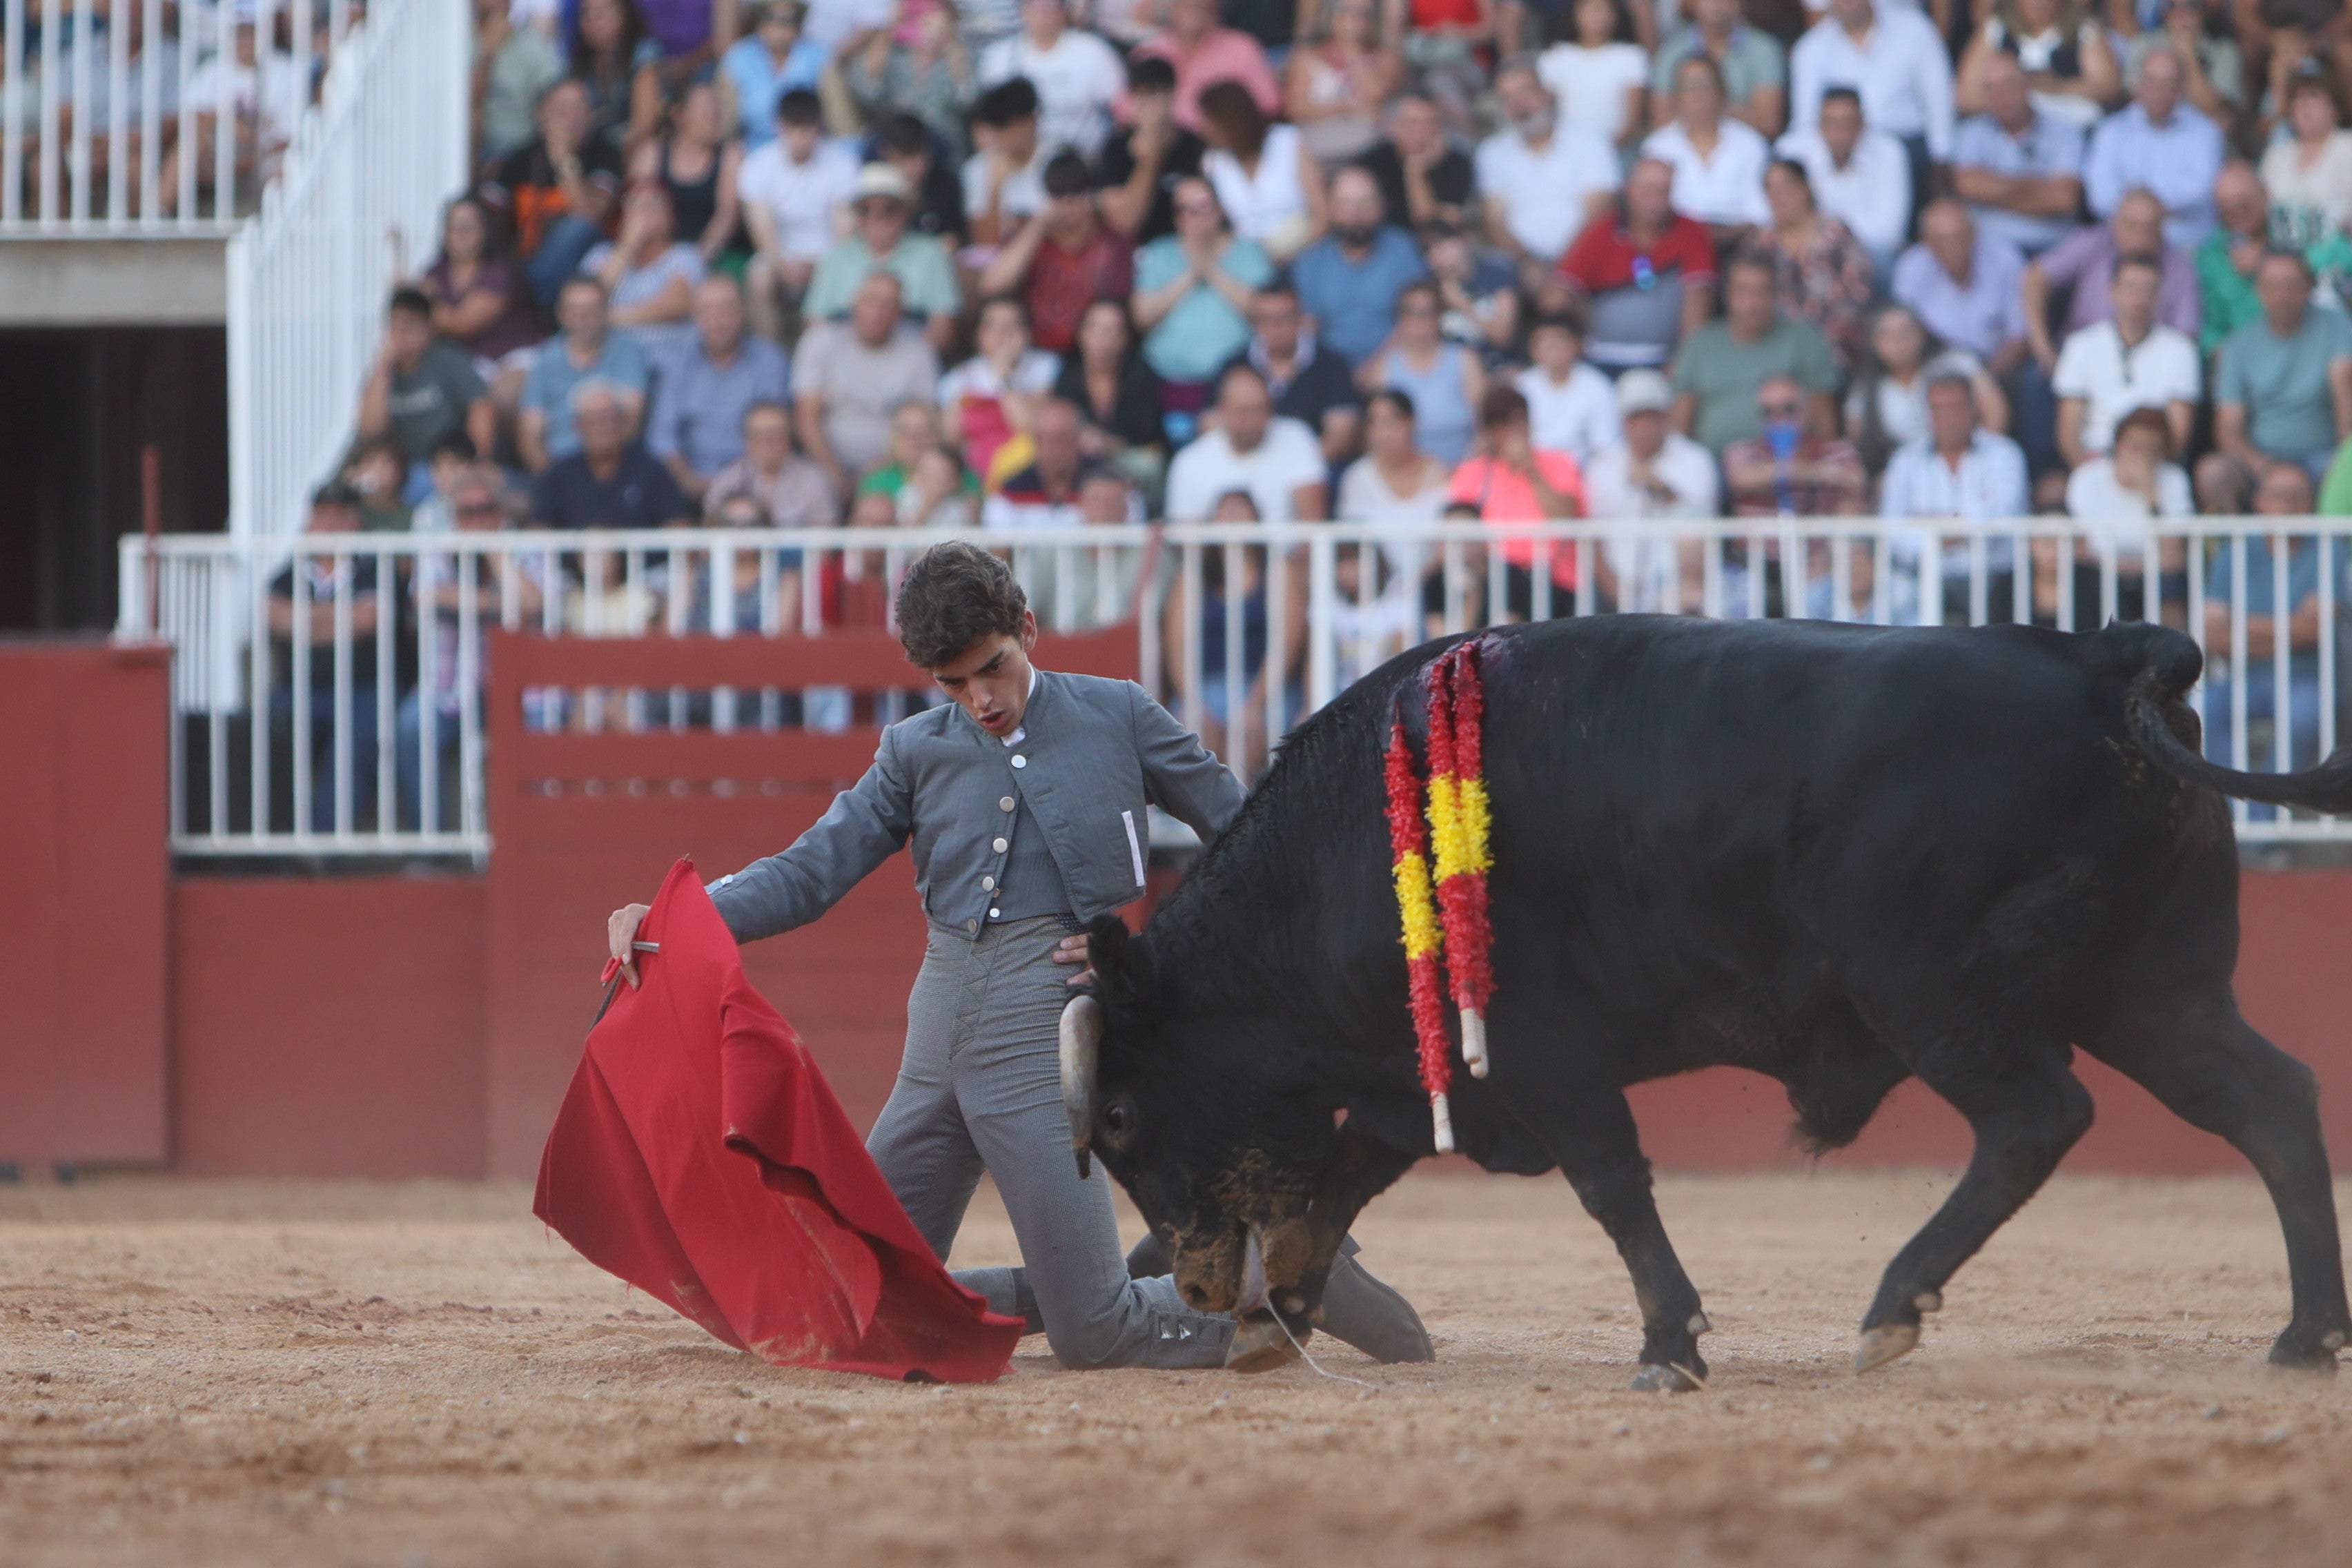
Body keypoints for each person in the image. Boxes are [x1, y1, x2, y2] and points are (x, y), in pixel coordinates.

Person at [609, 542, 1432, 1370]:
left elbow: (1256, 840)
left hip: (1046, 1042)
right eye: (953, 684)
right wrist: (684, 916)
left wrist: (1153, 957)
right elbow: (812, 869)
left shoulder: (1119, 713)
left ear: (1028, 629)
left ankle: (1275, 1282)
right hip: (935, 1045)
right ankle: (1191, 1269)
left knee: (1095, 1331)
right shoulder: (911, 749)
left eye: (991, 669)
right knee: (843, 1301)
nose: (980, 699)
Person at [2201, 462, 2336, 799]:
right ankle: (2247, 815)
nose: (2287, 506)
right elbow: (2213, 635)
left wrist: (2242, 626)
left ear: (2310, 504)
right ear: (2260, 501)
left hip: (2306, 678)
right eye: (2279, 496)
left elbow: (2314, 629)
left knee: (2303, 718)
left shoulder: (2329, 550)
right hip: (2243, 678)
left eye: (2297, 497)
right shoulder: (2233, 553)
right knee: (2202, 709)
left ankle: (2258, 821)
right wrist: (2288, 627)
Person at [268, 482, 389, 834]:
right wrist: (342, 618)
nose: (330, 523)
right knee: (272, 744)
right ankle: (282, 846)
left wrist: (304, 621)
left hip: (363, 689)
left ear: (356, 521)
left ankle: (324, 849)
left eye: (340, 514)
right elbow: (276, 619)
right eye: (322, 514)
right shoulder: (287, 574)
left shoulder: (373, 568)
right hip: (298, 690)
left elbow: (369, 619)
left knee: (353, 750)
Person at [1555, 157, 1718, 377]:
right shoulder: (1602, 230)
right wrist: (1573, 345)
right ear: (1629, 190)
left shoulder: (1691, 232)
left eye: (1664, 191)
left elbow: (1698, 301)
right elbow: (1560, 292)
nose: (1656, 200)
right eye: (1648, 190)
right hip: (1598, 358)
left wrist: (1685, 361)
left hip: (1663, 359)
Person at [2207, 249, 2352, 491]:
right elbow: (2228, 427)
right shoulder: (2238, 345)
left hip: (2326, 456)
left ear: (2309, 286)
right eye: (2272, 286)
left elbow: (2345, 393)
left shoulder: (2336, 326)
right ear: (2258, 290)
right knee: (2213, 474)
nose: (2282, 295)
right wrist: (2262, 466)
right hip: (2261, 460)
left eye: (2292, 285)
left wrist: (2342, 460)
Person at [1669, 251, 1839, 455]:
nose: (1752, 302)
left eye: (1762, 291)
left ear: (1776, 294)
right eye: (1743, 291)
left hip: (1787, 467)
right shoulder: (1701, 344)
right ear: (1728, 294)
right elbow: (1679, 428)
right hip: (1713, 468)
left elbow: (1826, 426)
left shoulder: (1804, 340)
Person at [1130, 177, 1275, 415]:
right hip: (1165, 379)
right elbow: (1141, 317)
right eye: (1184, 209)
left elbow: (1263, 312)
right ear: (1176, 217)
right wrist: (1191, 274)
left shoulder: (1249, 253)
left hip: (1233, 381)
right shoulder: (1159, 253)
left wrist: (1209, 267)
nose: (1194, 216)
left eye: (1202, 207)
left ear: (1219, 209)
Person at [792, 271, 945, 493]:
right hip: (823, 467)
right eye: (870, 301)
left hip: (895, 468)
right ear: (853, 304)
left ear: (900, 313)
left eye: (888, 304)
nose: (878, 312)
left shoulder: (919, 352)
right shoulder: (819, 342)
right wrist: (835, 475)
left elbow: (926, 423)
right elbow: (807, 418)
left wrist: (880, 470)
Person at [480, 78, 625, 311]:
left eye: (580, 108)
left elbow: (589, 215)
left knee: (577, 228)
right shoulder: (520, 158)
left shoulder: (605, 152)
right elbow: (484, 215)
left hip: (589, 272)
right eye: (562, 109)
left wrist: (564, 161)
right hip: (527, 263)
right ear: (541, 116)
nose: (572, 118)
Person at [1787, 0, 1955, 199]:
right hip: (1842, 152)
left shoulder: (1916, 30)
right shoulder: (1810, 49)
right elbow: (1805, 123)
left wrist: (1941, 158)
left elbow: (1938, 102)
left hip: (1907, 148)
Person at [1585, 368, 1721, 614]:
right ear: (1623, 421)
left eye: (1653, 417)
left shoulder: (1695, 459)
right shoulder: (1602, 466)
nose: (1645, 426)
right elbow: (1594, 539)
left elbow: (1701, 524)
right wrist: (1617, 594)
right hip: (1619, 594)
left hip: (1681, 596)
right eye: (1636, 418)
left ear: (1666, 417)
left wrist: (1661, 488)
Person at [649, 275, 794, 503]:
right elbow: (663, 437)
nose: (718, 321)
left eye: (727, 310)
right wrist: (689, 480)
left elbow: (773, 433)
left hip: (756, 484)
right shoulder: (676, 361)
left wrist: (731, 483)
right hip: (688, 484)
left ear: (742, 312)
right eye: (708, 311)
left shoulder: (769, 361)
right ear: (695, 316)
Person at [2022, 189, 2200, 373]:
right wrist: (2043, 349)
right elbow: (2036, 276)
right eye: (2132, 225)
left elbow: (2185, 337)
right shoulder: (2091, 244)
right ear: (2115, 223)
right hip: (2080, 361)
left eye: (2149, 228)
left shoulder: (2180, 269)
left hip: (2152, 369)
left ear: (2162, 229)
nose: (2140, 237)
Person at [2052, 253, 2201, 473]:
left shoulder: (2181, 349)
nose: (2139, 298)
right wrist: (2091, 478)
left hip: (2156, 466)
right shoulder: (2080, 345)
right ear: (2112, 292)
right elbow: (2068, 433)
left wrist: (2142, 470)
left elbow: (2178, 435)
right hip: (2093, 462)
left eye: (2148, 289)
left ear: (2159, 296)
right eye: (2131, 287)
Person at [1445, 384, 1587, 614]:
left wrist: (1531, 470)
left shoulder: (1559, 463)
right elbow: (1457, 524)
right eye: (1500, 425)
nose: (1511, 432)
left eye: (1518, 422)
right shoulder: (1472, 472)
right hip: (1489, 579)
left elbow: (1565, 517)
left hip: (1551, 578)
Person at [977, 151, 1134, 356]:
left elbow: (1121, 310)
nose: (1068, 205)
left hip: (1094, 354)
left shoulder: (1112, 241)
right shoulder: (1029, 235)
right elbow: (992, 287)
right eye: (1058, 195)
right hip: (1034, 352)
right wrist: (1038, 226)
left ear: (1090, 195)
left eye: (1076, 194)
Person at [1477, 57, 1623, 278]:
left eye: (1525, 92)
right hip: (1520, 269)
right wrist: (1529, 263)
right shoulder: (1492, 152)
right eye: (1507, 98)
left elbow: (1598, 213)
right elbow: (1494, 222)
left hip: (1586, 261)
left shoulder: (1591, 142)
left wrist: (1565, 266)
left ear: (1547, 94)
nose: (1519, 105)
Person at [738, 88, 863, 340]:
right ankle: (770, 354)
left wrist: (822, 266)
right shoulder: (758, 165)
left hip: (829, 255)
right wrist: (784, 267)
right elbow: (761, 231)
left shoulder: (843, 163)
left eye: (809, 129)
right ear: (778, 126)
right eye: (794, 129)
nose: (801, 138)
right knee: (758, 278)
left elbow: (845, 232)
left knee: (852, 273)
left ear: (820, 128)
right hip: (780, 256)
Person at [803, 162, 965, 352]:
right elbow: (815, 324)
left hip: (910, 358)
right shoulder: (836, 257)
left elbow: (943, 325)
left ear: (906, 213)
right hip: (844, 359)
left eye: (889, 210)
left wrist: (906, 363)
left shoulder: (931, 254)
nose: (876, 218)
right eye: (865, 211)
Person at [1949, 51, 2088, 262]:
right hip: (1989, 251)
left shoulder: (2065, 132)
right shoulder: (1971, 133)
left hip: (2054, 249)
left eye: (2009, 83)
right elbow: (1968, 185)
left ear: (2028, 85)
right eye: (1991, 87)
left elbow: (2064, 199)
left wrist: (1994, 190)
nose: (2001, 94)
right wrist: (2035, 186)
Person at [2084, 47, 2224, 250]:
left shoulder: (2207, 132)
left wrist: (2133, 207)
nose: (2160, 90)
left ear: (2182, 87)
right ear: (2138, 84)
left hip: (2187, 246)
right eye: (2152, 80)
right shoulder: (2110, 131)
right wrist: (2163, 211)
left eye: (2169, 82)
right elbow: (2100, 199)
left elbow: (2200, 193)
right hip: (2121, 245)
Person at [1845, 302, 2009, 476]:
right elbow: (1859, 445)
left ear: (1922, 333)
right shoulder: (1865, 392)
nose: (1899, 342)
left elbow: (1996, 414)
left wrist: (1979, 459)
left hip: (1969, 465)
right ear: (1874, 343)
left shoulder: (1955, 362)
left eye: (1906, 332)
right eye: (1887, 335)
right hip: (1904, 475)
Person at [356, 288, 497, 484]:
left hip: (449, 464)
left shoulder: (449, 361)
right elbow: (371, 430)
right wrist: (383, 369)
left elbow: (481, 408)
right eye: (394, 326)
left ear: (427, 328)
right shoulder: (383, 372)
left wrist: (475, 461)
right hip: (405, 471)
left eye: (409, 326)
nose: (400, 334)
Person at [1288, 167, 1425, 369]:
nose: (1356, 214)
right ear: (1332, 209)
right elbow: (1308, 329)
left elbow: (1416, 319)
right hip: (1331, 369)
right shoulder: (1311, 261)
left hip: (1398, 362)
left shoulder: (1404, 250)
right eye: (1346, 204)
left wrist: (1373, 369)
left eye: (1366, 202)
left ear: (1381, 205)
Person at [1749, 159, 1875, 371]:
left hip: (1834, 339)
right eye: (1770, 188)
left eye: (1786, 185)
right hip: (1775, 342)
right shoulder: (1760, 244)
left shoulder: (1836, 234)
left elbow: (1859, 290)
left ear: (1805, 189)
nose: (1778, 195)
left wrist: (1822, 333)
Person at [518, 276, 653, 472]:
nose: (583, 317)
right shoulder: (546, 358)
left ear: (605, 312)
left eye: (591, 309)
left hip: (615, 467)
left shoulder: (628, 351)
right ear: (561, 314)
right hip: (559, 470)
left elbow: (631, 422)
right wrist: (553, 483)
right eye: (575, 310)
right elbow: (530, 434)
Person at [1162, 363, 1328, 520]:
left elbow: (1312, 528)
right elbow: (1186, 542)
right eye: (1244, 411)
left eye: (1261, 409)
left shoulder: (1297, 438)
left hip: (1285, 551)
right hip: (1214, 551)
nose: (1253, 420)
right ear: (1222, 410)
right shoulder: (1189, 461)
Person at [1227, 282, 1365, 468]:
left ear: (1300, 318)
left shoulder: (1332, 365)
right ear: (1255, 322)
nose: (1276, 327)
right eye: (1267, 319)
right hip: (1245, 470)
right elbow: (1212, 426)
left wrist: (1294, 471)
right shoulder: (1234, 366)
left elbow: (1341, 435)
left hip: (1314, 473)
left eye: (1284, 318)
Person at [1774, 87, 1908, 274]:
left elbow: (1889, 232)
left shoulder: (1889, 152)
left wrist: (1828, 235)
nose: (1840, 132)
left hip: (1866, 253)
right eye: (1832, 123)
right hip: (1806, 248)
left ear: (1862, 124)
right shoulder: (1791, 149)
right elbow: (1778, 213)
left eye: (1847, 123)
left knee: (1882, 256)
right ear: (1819, 125)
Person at [532, 379, 695, 529]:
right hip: (574, 561)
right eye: (593, 420)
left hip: (643, 561)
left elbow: (678, 527)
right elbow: (538, 533)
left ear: (622, 422)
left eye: (609, 418)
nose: (604, 427)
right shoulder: (559, 475)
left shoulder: (651, 471)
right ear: (578, 426)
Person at [1641, 52, 1772, 237]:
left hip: (1739, 241)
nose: (1697, 95)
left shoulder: (1750, 143)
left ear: (1721, 91)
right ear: (1675, 96)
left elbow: (1759, 211)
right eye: (1689, 87)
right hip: (1677, 240)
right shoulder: (1657, 146)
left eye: (1705, 85)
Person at [1891, 199, 2030, 372]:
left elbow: (2021, 335)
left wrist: (1983, 379)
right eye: (1942, 240)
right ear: (1926, 241)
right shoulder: (1911, 267)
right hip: (1935, 369)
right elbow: (1905, 333)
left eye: (1960, 236)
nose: (1953, 247)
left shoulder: (2005, 260)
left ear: (1974, 234)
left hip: (1997, 368)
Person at [1359, 280, 1486, 466]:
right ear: (1400, 318)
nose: (1420, 320)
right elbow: (1376, 435)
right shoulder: (1384, 368)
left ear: (1440, 317)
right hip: (1404, 475)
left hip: (1462, 471)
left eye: (1428, 312)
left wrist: (1462, 473)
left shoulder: (1465, 360)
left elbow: (1484, 428)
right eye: (1411, 312)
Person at [1197, 79, 1326, 262]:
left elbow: (1322, 215)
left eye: (1209, 121)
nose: (1203, 129)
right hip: (1248, 262)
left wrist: (1291, 257)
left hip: (1304, 254)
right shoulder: (1212, 163)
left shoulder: (1288, 142)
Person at [981, 0, 1125, 161]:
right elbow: (990, 120)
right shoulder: (1000, 57)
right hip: (1021, 161)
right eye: (1036, 7)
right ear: (1023, 11)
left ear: (1063, 11)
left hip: (1084, 160)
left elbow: (1122, 109)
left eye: (1050, 7)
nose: (1043, 13)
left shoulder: (1093, 50)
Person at [1881, 371, 2031, 525]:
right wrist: (1967, 520)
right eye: (1939, 409)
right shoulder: (1905, 460)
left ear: (1973, 409)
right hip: (1924, 551)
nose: (1949, 418)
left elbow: (2002, 517)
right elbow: (1892, 531)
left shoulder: (2004, 454)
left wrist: (1930, 525)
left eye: (1956, 407)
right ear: (1928, 413)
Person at [938, 293, 1061, 480]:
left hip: (1028, 473)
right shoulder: (959, 377)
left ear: (1027, 332)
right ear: (979, 336)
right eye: (993, 326)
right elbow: (951, 442)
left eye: (1012, 325)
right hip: (974, 474)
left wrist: (1004, 378)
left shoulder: (1047, 367)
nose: (1003, 333)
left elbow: (1029, 427)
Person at [582, 182, 706, 366]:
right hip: (608, 362)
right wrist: (627, 248)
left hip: (669, 360)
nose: (646, 212)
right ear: (622, 217)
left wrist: (606, 319)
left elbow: (677, 304)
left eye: (655, 204)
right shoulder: (600, 255)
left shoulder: (686, 255)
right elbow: (585, 300)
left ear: (671, 218)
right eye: (636, 205)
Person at [1053, 297, 1166, 492]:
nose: (1104, 339)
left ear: (1126, 338)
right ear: (1082, 334)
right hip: (1080, 460)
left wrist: (1107, 444)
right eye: (1097, 329)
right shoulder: (1067, 375)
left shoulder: (1141, 374)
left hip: (1130, 464)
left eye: (1113, 331)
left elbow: (1146, 436)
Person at [1953, 0, 2118, 133]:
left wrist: (2058, 87)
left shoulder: (2084, 31)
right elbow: (1965, 95)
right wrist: (2010, 98)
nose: (2039, 3)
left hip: (2071, 132)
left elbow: (2108, 86)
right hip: (2006, 136)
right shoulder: (1995, 30)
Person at [1721, 372, 1868, 520]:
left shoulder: (1837, 451)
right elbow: (1739, 478)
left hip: (1820, 542)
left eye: (1789, 408)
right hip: (1762, 543)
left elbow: (1855, 479)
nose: (1778, 418)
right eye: (1767, 411)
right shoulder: (1744, 451)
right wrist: (1815, 472)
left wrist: (1783, 471)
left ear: (1807, 409)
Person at [420, 195, 541, 373]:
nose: (461, 232)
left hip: (515, 356)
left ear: (485, 230)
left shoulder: (498, 272)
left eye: (469, 226)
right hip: (468, 361)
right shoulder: (436, 271)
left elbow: (461, 324)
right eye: (455, 226)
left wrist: (424, 304)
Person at [1092, 55, 1205, 244]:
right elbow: (1126, 222)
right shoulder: (1115, 148)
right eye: (1141, 96)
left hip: (1190, 244)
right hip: (1138, 250)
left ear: (1172, 95)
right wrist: (1150, 156)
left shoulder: (1195, 144)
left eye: (1156, 94)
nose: (1149, 106)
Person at [843, 0, 979, 155]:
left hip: (942, 148)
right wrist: (888, 32)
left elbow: (968, 101)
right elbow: (867, 92)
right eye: (925, 22)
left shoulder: (963, 61)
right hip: (897, 141)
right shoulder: (896, 57)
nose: (932, 31)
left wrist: (955, 55)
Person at [632, 79, 743, 265]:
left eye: (716, 108)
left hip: (713, 255)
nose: (714, 115)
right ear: (680, 115)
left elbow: (727, 215)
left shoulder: (731, 154)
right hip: (657, 256)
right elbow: (637, 209)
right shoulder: (652, 154)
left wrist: (695, 262)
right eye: (705, 110)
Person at [1128, 0, 1281, 134]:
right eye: (1187, 6)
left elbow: (1268, 106)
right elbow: (1125, 111)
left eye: (1200, 7)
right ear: (1173, 7)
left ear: (1215, 11)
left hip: (1226, 148)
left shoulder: (1242, 49)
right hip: (1164, 147)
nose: (1193, 15)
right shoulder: (1148, 52)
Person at [1285, 0, 1401, 166]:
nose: (1357, 20)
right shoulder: (1307, 58)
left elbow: (1376, 97)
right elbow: (1296, 109)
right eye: (1349, 11)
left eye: (1364, 14)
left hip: (1368, 145)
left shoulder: (1384, 57)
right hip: (1319, 145)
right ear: (1332, 15)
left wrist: (1353, 53)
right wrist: (1344, 108)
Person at [1650, 0, 1786, 140]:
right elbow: (1661, 121)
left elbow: (1768, 123)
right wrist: (1728, 111)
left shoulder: (1764, 50)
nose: (1717, 3)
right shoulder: (1670, 52)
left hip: (1748, 149)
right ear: (1692, 3)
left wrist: (1702, 108)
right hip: (1681, 148)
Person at [704, 398, 841, 529]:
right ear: (746, 440)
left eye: (774, 435)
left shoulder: (814, 480)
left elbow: (824, 540)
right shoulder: (727, 480)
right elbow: (708, 532)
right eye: (758, 435)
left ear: (789, 438)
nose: (767, 443)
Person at [1355, 90, 1474, 233]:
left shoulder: (1457, 164)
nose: (1421, 131)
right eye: (1412, 123)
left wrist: (1415, 171)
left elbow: (1432, 227)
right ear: (1393, 127)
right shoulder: (1371, 163)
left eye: (1430, 122)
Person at [1538, 0, 1651, 149]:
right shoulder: (1555, 58)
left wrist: (1603, 152)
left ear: (1615, 16)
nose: (1599, 17)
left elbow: (1633, 120)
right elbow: (1547, 113)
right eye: (1593, 10)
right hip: (1565, 151)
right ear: (1576, 14)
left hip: (1618, 149)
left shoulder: (1632, 56)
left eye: (1605, 10)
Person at [2262, 64, 2352, 249]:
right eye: (2296, 98)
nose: (2303, 105)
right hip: (2283, 257)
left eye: (2313, 96)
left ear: (2334, 108)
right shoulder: (2277, 155)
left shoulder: (2347, 147)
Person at [1335, 387, 1454, 525]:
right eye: (1374, 423)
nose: (1383, 433)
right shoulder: (1356, 478)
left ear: (1412, 423)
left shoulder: (1440, 474)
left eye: (1392, 421)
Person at [1515, 311, 1620, 467]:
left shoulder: (1597, 386)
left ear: (1576, 346)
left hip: (1582, 471)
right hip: (1532, 470)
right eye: (1544, 342)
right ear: (1534, 350)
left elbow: (1605, 445)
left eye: (1558, 340)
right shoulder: (1522, 386)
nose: (1551, 347)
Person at [719, 0, 828, 147]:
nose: (781, 26)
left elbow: (842, 123)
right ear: (759, 21)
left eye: (790, 19)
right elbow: (727, 127)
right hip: (753, 154)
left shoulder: (820, 56)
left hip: (808, 153)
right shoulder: (737, 58)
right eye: (772, 17)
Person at [981, 395, 1098, 526]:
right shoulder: (1010, 494)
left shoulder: (1106, 488)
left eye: (1062, 439)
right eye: (1045, 440)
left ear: (1078, 439)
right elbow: (998, 541)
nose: (1054, 450)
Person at [963, 75, 1050, 248]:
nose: (1002, 138)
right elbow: (984, 242)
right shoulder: (977, 168)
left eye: (1008, 127)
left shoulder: (1056, 160)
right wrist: (995, 188)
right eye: (997, 129)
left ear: (1030, 122)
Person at [476, 0, 567, 163]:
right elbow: (468, 100)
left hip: (521, 147)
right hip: (471, 145)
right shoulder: (457, 40)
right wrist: (488, 53)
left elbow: (555, 91)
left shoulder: (530, 42)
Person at [2066, 404, 2194, 519]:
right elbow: (2080, 542)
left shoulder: (2174, 480)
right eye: (2135, 448)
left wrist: (2151, 497)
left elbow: (2172, 545)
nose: (2143, 457)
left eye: (2152, 450)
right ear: (2118, 446)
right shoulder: (2087, 478)